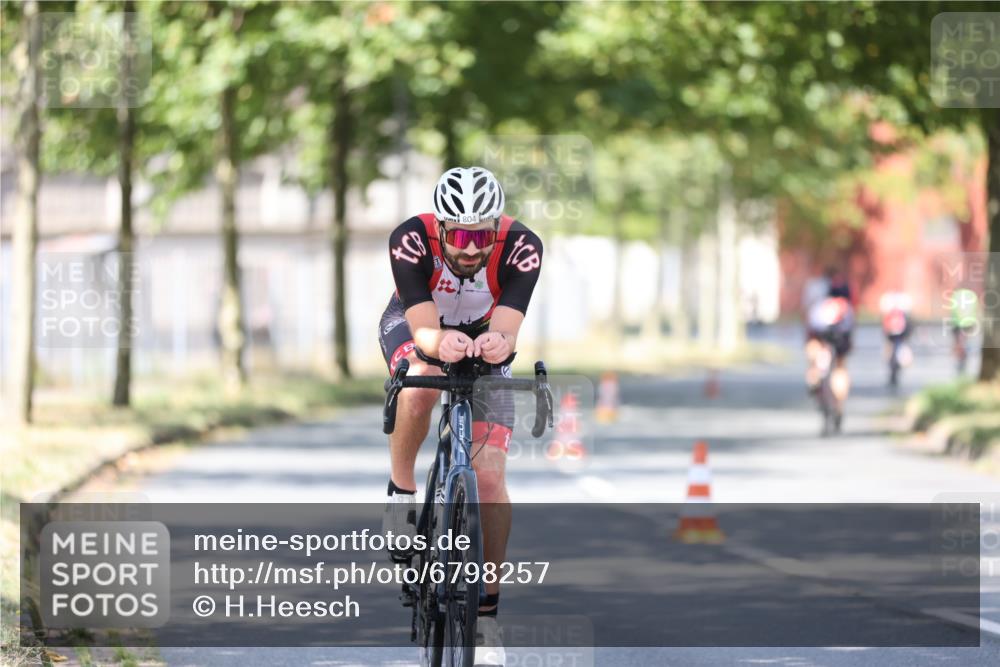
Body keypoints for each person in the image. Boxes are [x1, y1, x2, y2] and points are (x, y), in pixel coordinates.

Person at [379, 166, 542, 666]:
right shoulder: (410, 239)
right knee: (421, 380)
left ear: (496, 229)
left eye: (482, 237)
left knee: (489, 480)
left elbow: (508, 329)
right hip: (420, 326)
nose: (471, 249)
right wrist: (436, 343)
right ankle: (402, 492)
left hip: (483, 336)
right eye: (461, 236)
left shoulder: (523, 247)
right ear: (441, 227)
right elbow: (425, 331)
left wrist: (500, 343)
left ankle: (486, 617)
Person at [805, 272, 855, 432]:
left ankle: (814, 379)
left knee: (814, 358)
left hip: (821, 341)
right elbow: (850, 331)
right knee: (840, 369)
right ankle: (839, 407)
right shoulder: (846, 308)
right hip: (840, 342)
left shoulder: (820, 307)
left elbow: (812, 330)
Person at [879, 291, 914, 389]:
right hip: (894, 333)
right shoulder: (892, 300)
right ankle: (894, 370)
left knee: (894, 351)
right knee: (893, 351)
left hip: (896, 333)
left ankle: (894, 370)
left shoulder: (892, 300)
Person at [949, 287, 978, 374]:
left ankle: (959, 358)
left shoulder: (955, 295)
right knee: (965, 342)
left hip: (957, 323)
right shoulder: (972, 295)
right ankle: (963, 358)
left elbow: (952, 310)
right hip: (969, 323)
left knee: (958, 342)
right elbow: (975, 309)